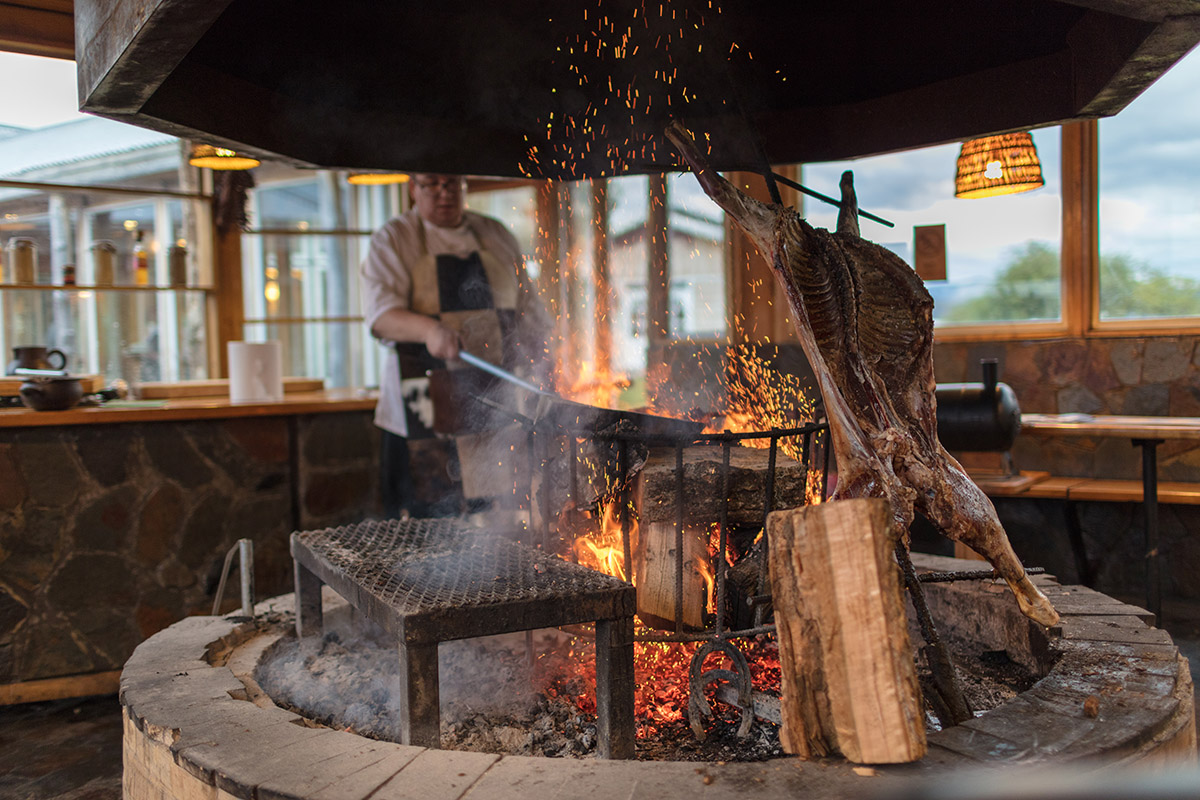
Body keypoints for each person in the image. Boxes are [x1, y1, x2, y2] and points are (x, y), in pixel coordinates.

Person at [361, 173, 550, 519]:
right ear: (412, 188)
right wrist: (430, 330)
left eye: (451, 184)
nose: (443, 193)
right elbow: (380, 315)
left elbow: (529, 312)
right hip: (420, 409)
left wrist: (548, 354)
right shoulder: (394, 239)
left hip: (493, 403)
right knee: (423, 520)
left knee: (496, 519)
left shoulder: (496, 235)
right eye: (431, 185)